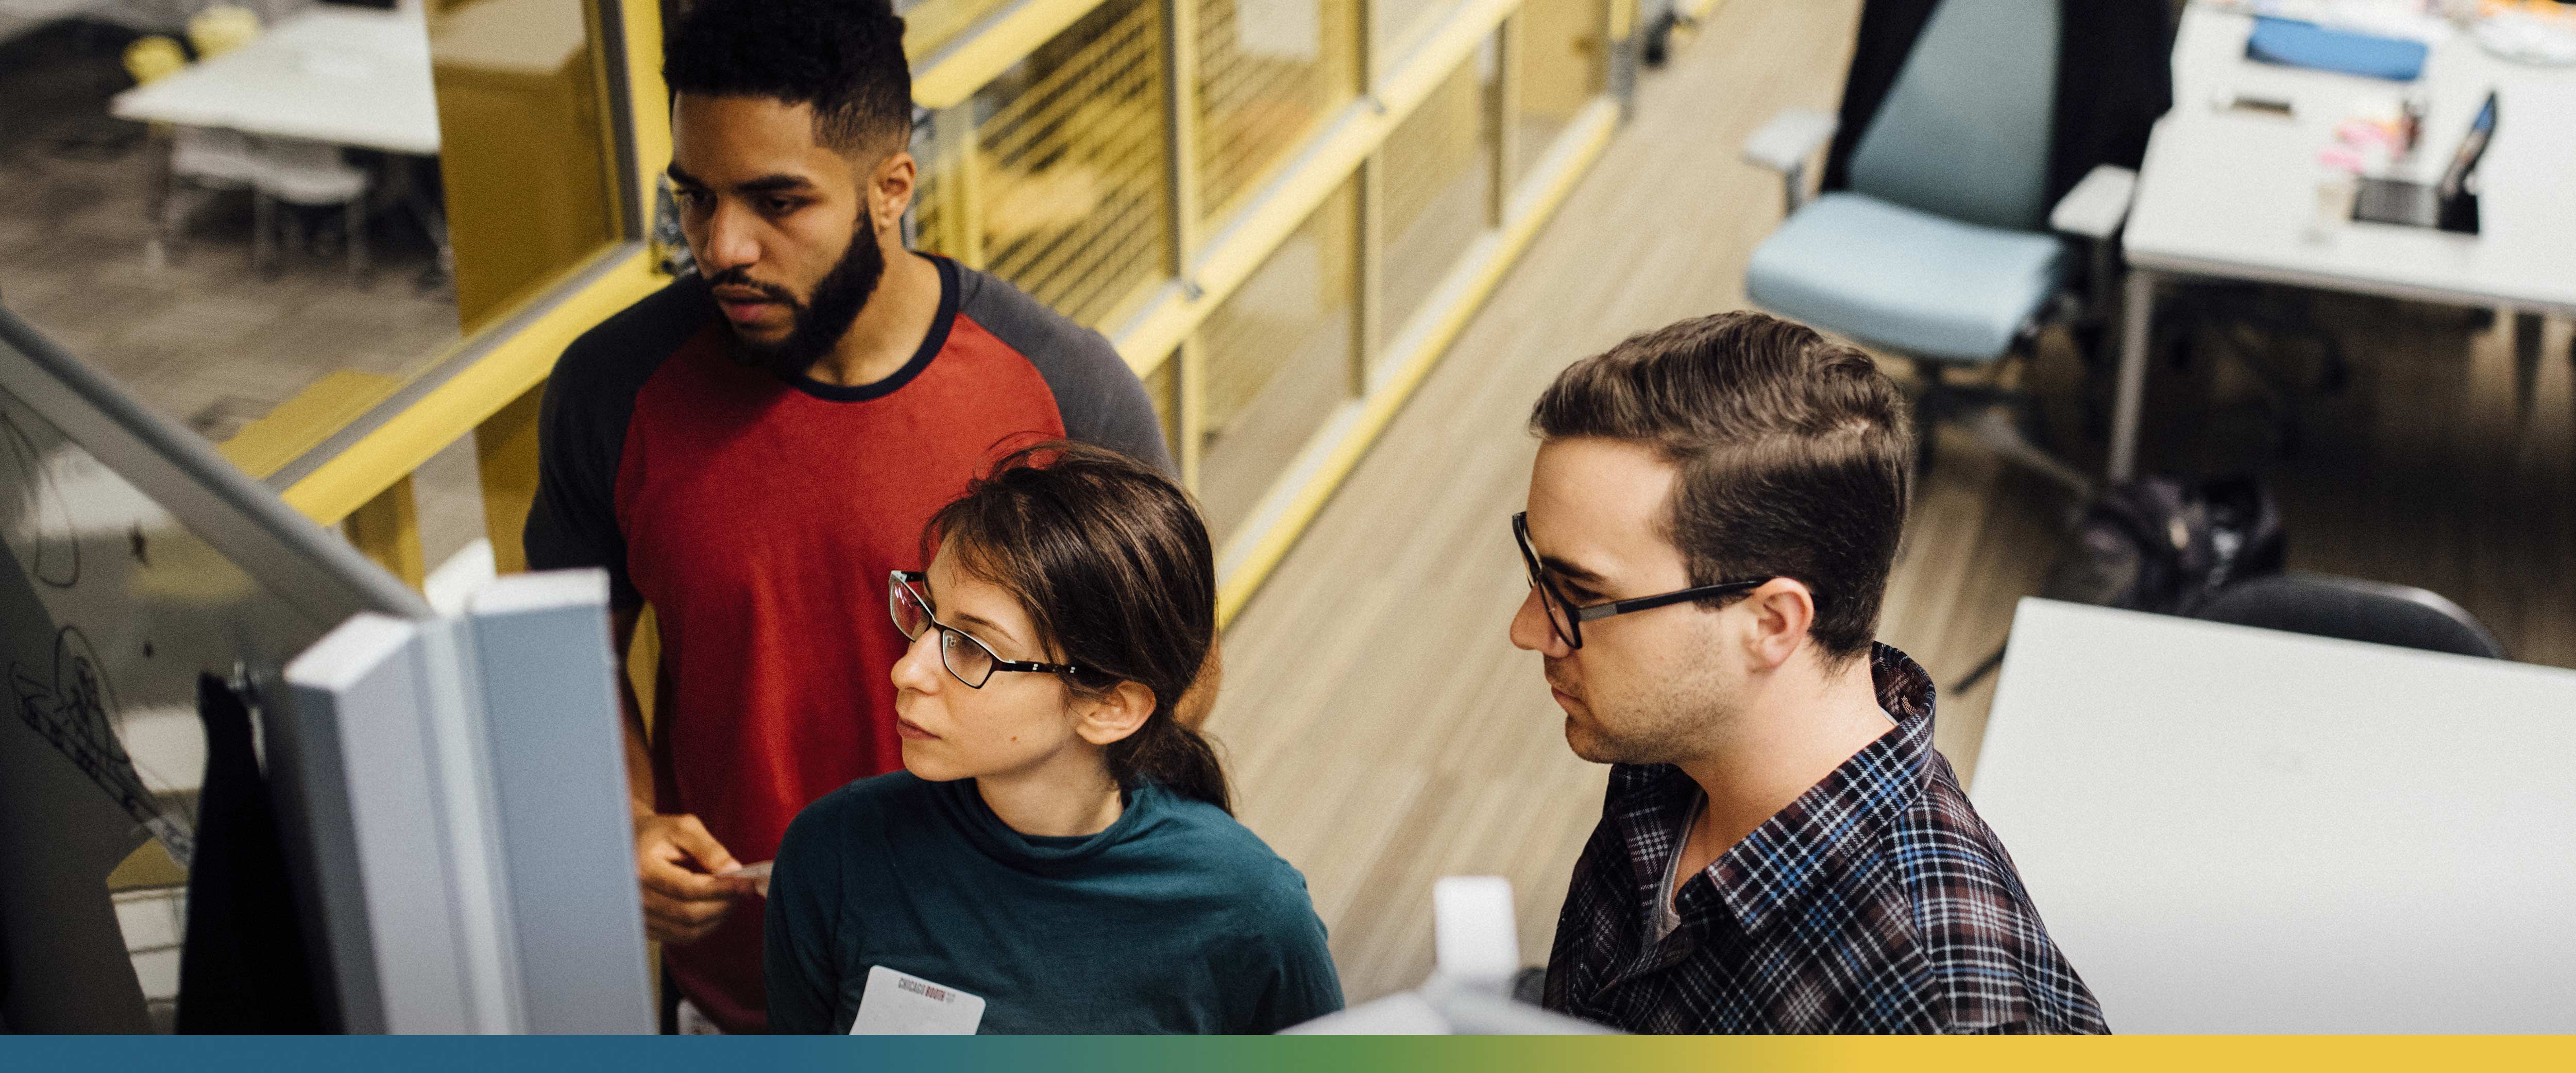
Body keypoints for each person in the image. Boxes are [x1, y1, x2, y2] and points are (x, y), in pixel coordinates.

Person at [522, 0, 1189, 1033]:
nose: (722, 245)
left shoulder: (1063, 388)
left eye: (777, 201)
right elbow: (570, 657)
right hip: (736, 989)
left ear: (891, 188)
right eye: (694, 199)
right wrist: (629, 822)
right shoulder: (611, 391)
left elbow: (1174, 675)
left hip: (1004, 990)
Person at [1511, 312, 2105, 1033]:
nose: (1528, 628)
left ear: (1772, 622)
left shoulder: (1939, 1012)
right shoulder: (1676, 746)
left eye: (1581, 594)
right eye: (1541, 572)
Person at [764, 444, 1342, 1034]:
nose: (907, 670)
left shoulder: (1254, 914)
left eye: (972, 645)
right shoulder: (832, 852)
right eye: (928, 613)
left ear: (1110, 707)